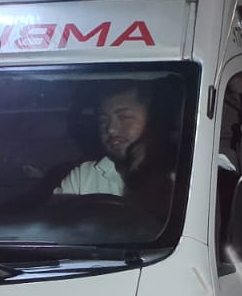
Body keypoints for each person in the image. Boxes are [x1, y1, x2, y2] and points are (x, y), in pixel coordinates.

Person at [54, 82, 175, 218]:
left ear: (151, 121)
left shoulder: (178, 175)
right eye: (103, 120)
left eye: (124, 117)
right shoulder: (83, 177)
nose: (111, 129)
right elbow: (52, 223)